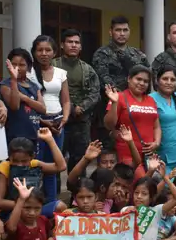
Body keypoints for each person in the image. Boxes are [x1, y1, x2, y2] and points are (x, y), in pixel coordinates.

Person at [91, 15, 147, 146]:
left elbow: (146, 78)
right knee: (110, 150)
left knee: (136, 145)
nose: (122, 33)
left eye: (125, 30)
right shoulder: (102, 54)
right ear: (111, 32)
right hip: (111, 108)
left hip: (136, 108)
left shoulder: (138, 55)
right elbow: (104, 80)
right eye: (118, 30)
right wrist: (125, 97)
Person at [32, 36, 70, 206]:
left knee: (53, 165)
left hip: (58, 122)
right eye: (40, 50)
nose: (44, 53)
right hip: (37, 122)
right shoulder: (29, 73)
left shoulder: (61, 73)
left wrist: (65, 119)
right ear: (34, 52)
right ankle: (33, 203)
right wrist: (42, 121)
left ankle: (52, 203)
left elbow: (66, 100)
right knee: (35, 164)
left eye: (48, 50)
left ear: (54, 52)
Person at [55, 29, 100, 172]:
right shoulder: (52, 66)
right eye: (70, 42)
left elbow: (95, 93)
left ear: (81, 46)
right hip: (57, 120)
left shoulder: (87, 69)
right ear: (62, 45)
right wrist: (67, 108)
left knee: (80, 161)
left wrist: (81, 107)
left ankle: (78, 186)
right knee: (55, 159)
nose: (73, 45)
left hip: (80, 122)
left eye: (77, 42)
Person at [0, 132, 66, 216]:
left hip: (34, 209)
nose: (19, 165)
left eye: (24, 161)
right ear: (9, 157)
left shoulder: (34, 164)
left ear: (32, 157)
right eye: (15, 161)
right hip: (14, 212)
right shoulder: (4, 167)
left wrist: (50, 140)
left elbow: (61, 167)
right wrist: (25, 206)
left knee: (60, 206)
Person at [104, 65, 161, 166]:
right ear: (129, 79)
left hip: (148, 156)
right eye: (138, 79)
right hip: (126, 154)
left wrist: (156, 142)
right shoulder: (119, 97)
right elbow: (109, 125)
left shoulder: (151, 100)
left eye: (146, 81)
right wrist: (114, 103)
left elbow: (156, 126)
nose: (142, 83)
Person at [0, 48, 46, 148]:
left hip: (34, 134)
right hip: (16, 136)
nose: (17, 68)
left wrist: (24, 98)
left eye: (22, 65)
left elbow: (43, 109)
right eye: (14, 64)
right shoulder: (5, 85)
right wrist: (14, 79)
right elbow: (14, 106)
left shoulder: (34, 85)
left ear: (28, 67)